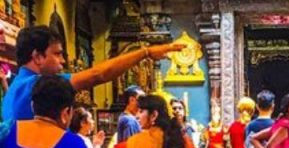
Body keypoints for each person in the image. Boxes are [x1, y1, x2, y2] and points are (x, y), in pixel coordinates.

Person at [2, 25, 181, 122]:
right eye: (57, 54)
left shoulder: (15, 88)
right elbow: (98, 75)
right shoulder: (35, 85)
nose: (63, 61)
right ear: (38, 56)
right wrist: (146, 53)